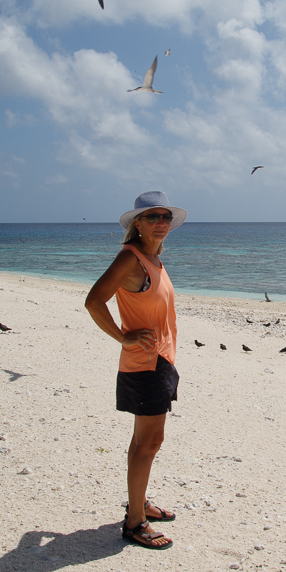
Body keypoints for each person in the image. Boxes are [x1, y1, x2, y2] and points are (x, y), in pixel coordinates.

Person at [85, 190, 187, 550]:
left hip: (161, 362)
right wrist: (122, 337)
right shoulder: (131, 259)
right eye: (153, 217)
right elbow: (94, 300)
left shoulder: (153, 259)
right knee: (150, 442)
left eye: (166, 217)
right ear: (137, 224)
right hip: (146, 365)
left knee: (143, 441)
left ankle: (138, 500)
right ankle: (134, 523)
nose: (161, 222)